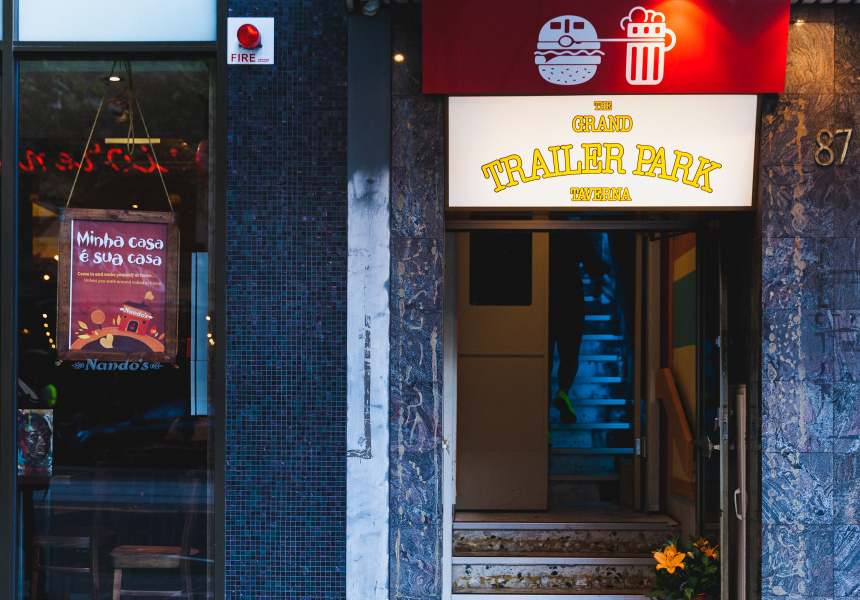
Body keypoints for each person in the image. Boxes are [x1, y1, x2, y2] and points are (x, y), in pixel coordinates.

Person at [549, 231, 609, 424]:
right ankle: (563, 392)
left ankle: (543, 421)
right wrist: (606, 267)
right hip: (571, 300)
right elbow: (594, 269)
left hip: (544, 298)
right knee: (569, 355)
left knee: (543, 360)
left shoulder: (541, 231)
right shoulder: (575, 233)